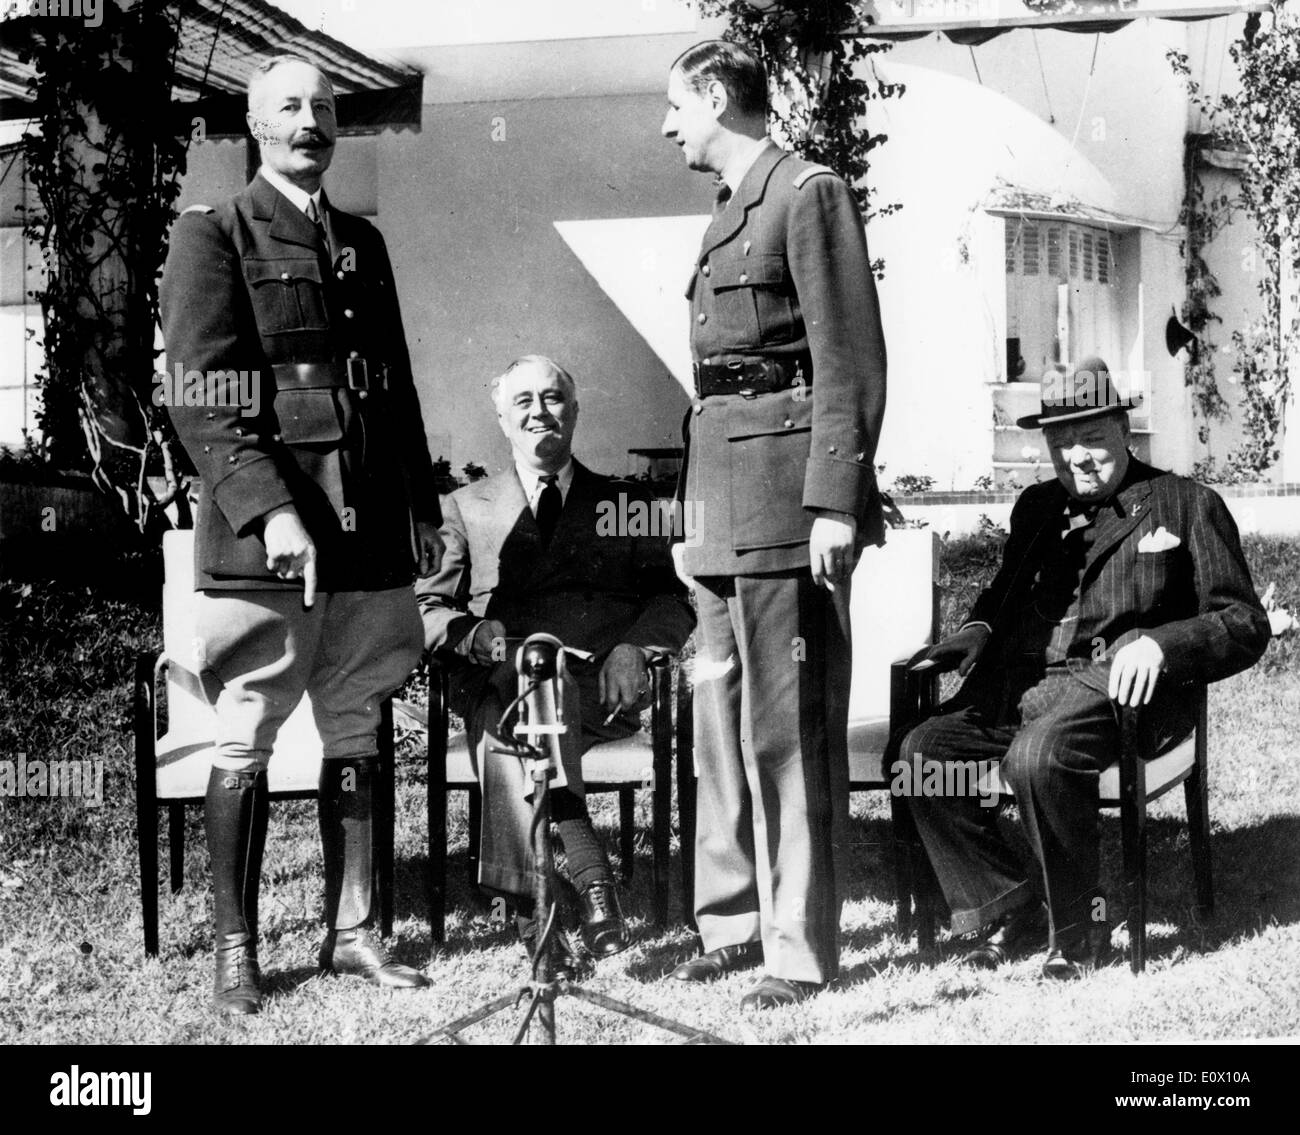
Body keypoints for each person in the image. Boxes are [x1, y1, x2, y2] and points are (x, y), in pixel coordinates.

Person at [160, 56, 444, 1015]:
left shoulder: (362, 239)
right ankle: (236, 953)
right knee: (246, 731)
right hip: (267, 538)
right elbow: (204, 397)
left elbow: (393, 389)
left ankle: (358, 930)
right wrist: (271, 508)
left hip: (367, 536)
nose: (311, 122)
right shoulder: (214, 234)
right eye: (290, 107)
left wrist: (426, 510)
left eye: (325, 108)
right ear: (255, 122)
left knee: (359, 721)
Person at [896, 357, 1270, 978]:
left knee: (1037, 758)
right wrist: (976, 630)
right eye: (1060, 443)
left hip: (1122, 696)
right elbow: (1005, 591)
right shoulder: (1038, 507)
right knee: (922, 757)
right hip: (1024, 688)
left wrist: (1162, 644)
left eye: (1092, 438)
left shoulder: (1185, 505)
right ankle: (1012, 899)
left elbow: (1242, 622)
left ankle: (1078, 929)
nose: (1077, 458)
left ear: (1125, 430)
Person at [660, 40, 887, 1008]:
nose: (667, 125)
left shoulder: (806, 193)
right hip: (718, 506)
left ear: (717, 96)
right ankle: (730, 917)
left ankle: (796, 943)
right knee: (716, 719)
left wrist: (836, 499)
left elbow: (848, 358)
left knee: (786, 728)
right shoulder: (726, 213)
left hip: (787, 507)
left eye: (675, 106)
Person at [416, 356, 694, 971]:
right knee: (528, 685)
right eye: (523, 402)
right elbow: (428, 608)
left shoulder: (625, 501)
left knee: (516, 720)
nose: (540, 411)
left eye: (553, 398)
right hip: (500, 674)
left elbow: (674, 602)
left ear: (574, 410)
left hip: (599, 689)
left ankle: (534, 919)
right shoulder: (465, 506)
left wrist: (635, 650)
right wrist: (474, 634)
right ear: (502, 417)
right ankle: (589, 876)